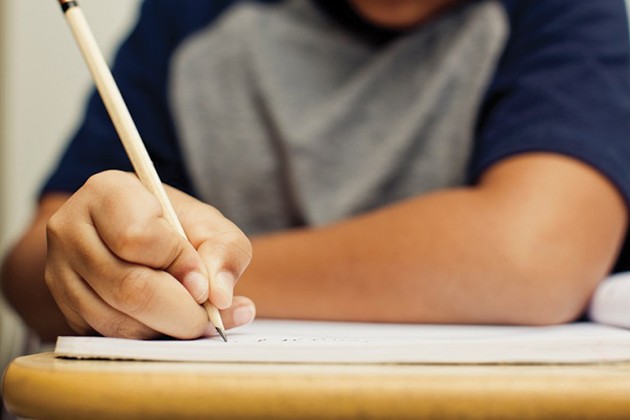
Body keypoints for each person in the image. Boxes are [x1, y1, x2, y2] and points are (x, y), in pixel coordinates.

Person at [2, 0, 630, 342]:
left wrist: (190, 275)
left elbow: (533, 255)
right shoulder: (189, 19)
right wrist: (94, 264)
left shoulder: (560, 13)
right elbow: (32, 264)